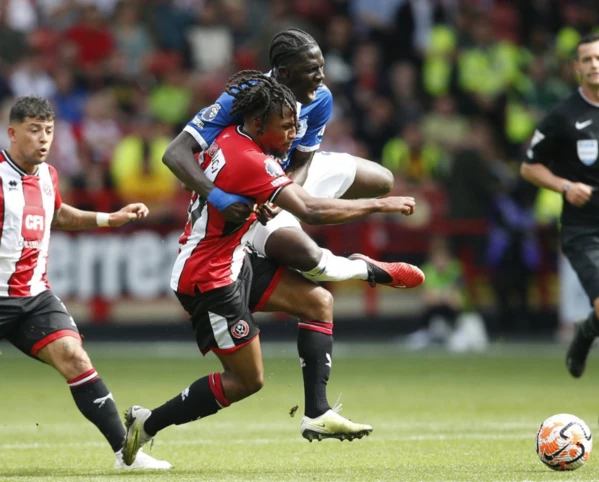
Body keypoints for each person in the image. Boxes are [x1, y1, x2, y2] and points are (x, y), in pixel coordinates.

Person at [121, 73, 417, 466]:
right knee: (248, 381)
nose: (295, 133)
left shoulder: (231, 138)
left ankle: (317, 413)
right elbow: (311, 209)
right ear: (259, 124)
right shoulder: (252, 160)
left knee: (317, 302)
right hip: (208, 278)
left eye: (296, 124)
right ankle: (148, 423)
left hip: (234, 259)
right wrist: (379, 205)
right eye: (286, 126)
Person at [162, 28, 423, 290]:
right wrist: (218, 196)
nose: (321, 77)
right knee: (309, 259)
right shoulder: (244, 96)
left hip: (288, 176)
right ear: (284, 72)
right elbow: (175, 152)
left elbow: (303, 161)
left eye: (321, 67)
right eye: (312, 70)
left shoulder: (321, 97)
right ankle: (355, 265)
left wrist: (284, 199)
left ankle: (287, 222)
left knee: (383, 180)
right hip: (254, 191)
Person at [0, 96, 172, 469]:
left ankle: (126, 456)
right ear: (12, 133)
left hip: (33, 296)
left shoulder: (48, 175)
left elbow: (58, 214)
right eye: (33, 130)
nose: (43, 139)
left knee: (75, 357)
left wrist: (111, 218)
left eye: (48, 130)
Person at [521, 33, 599, 430]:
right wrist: (566, 188)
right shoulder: (562, 116)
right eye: (585, 58)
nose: (593, 64)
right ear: (577, 67)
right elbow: (529, 167)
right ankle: (585, 334)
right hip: (584, 230)